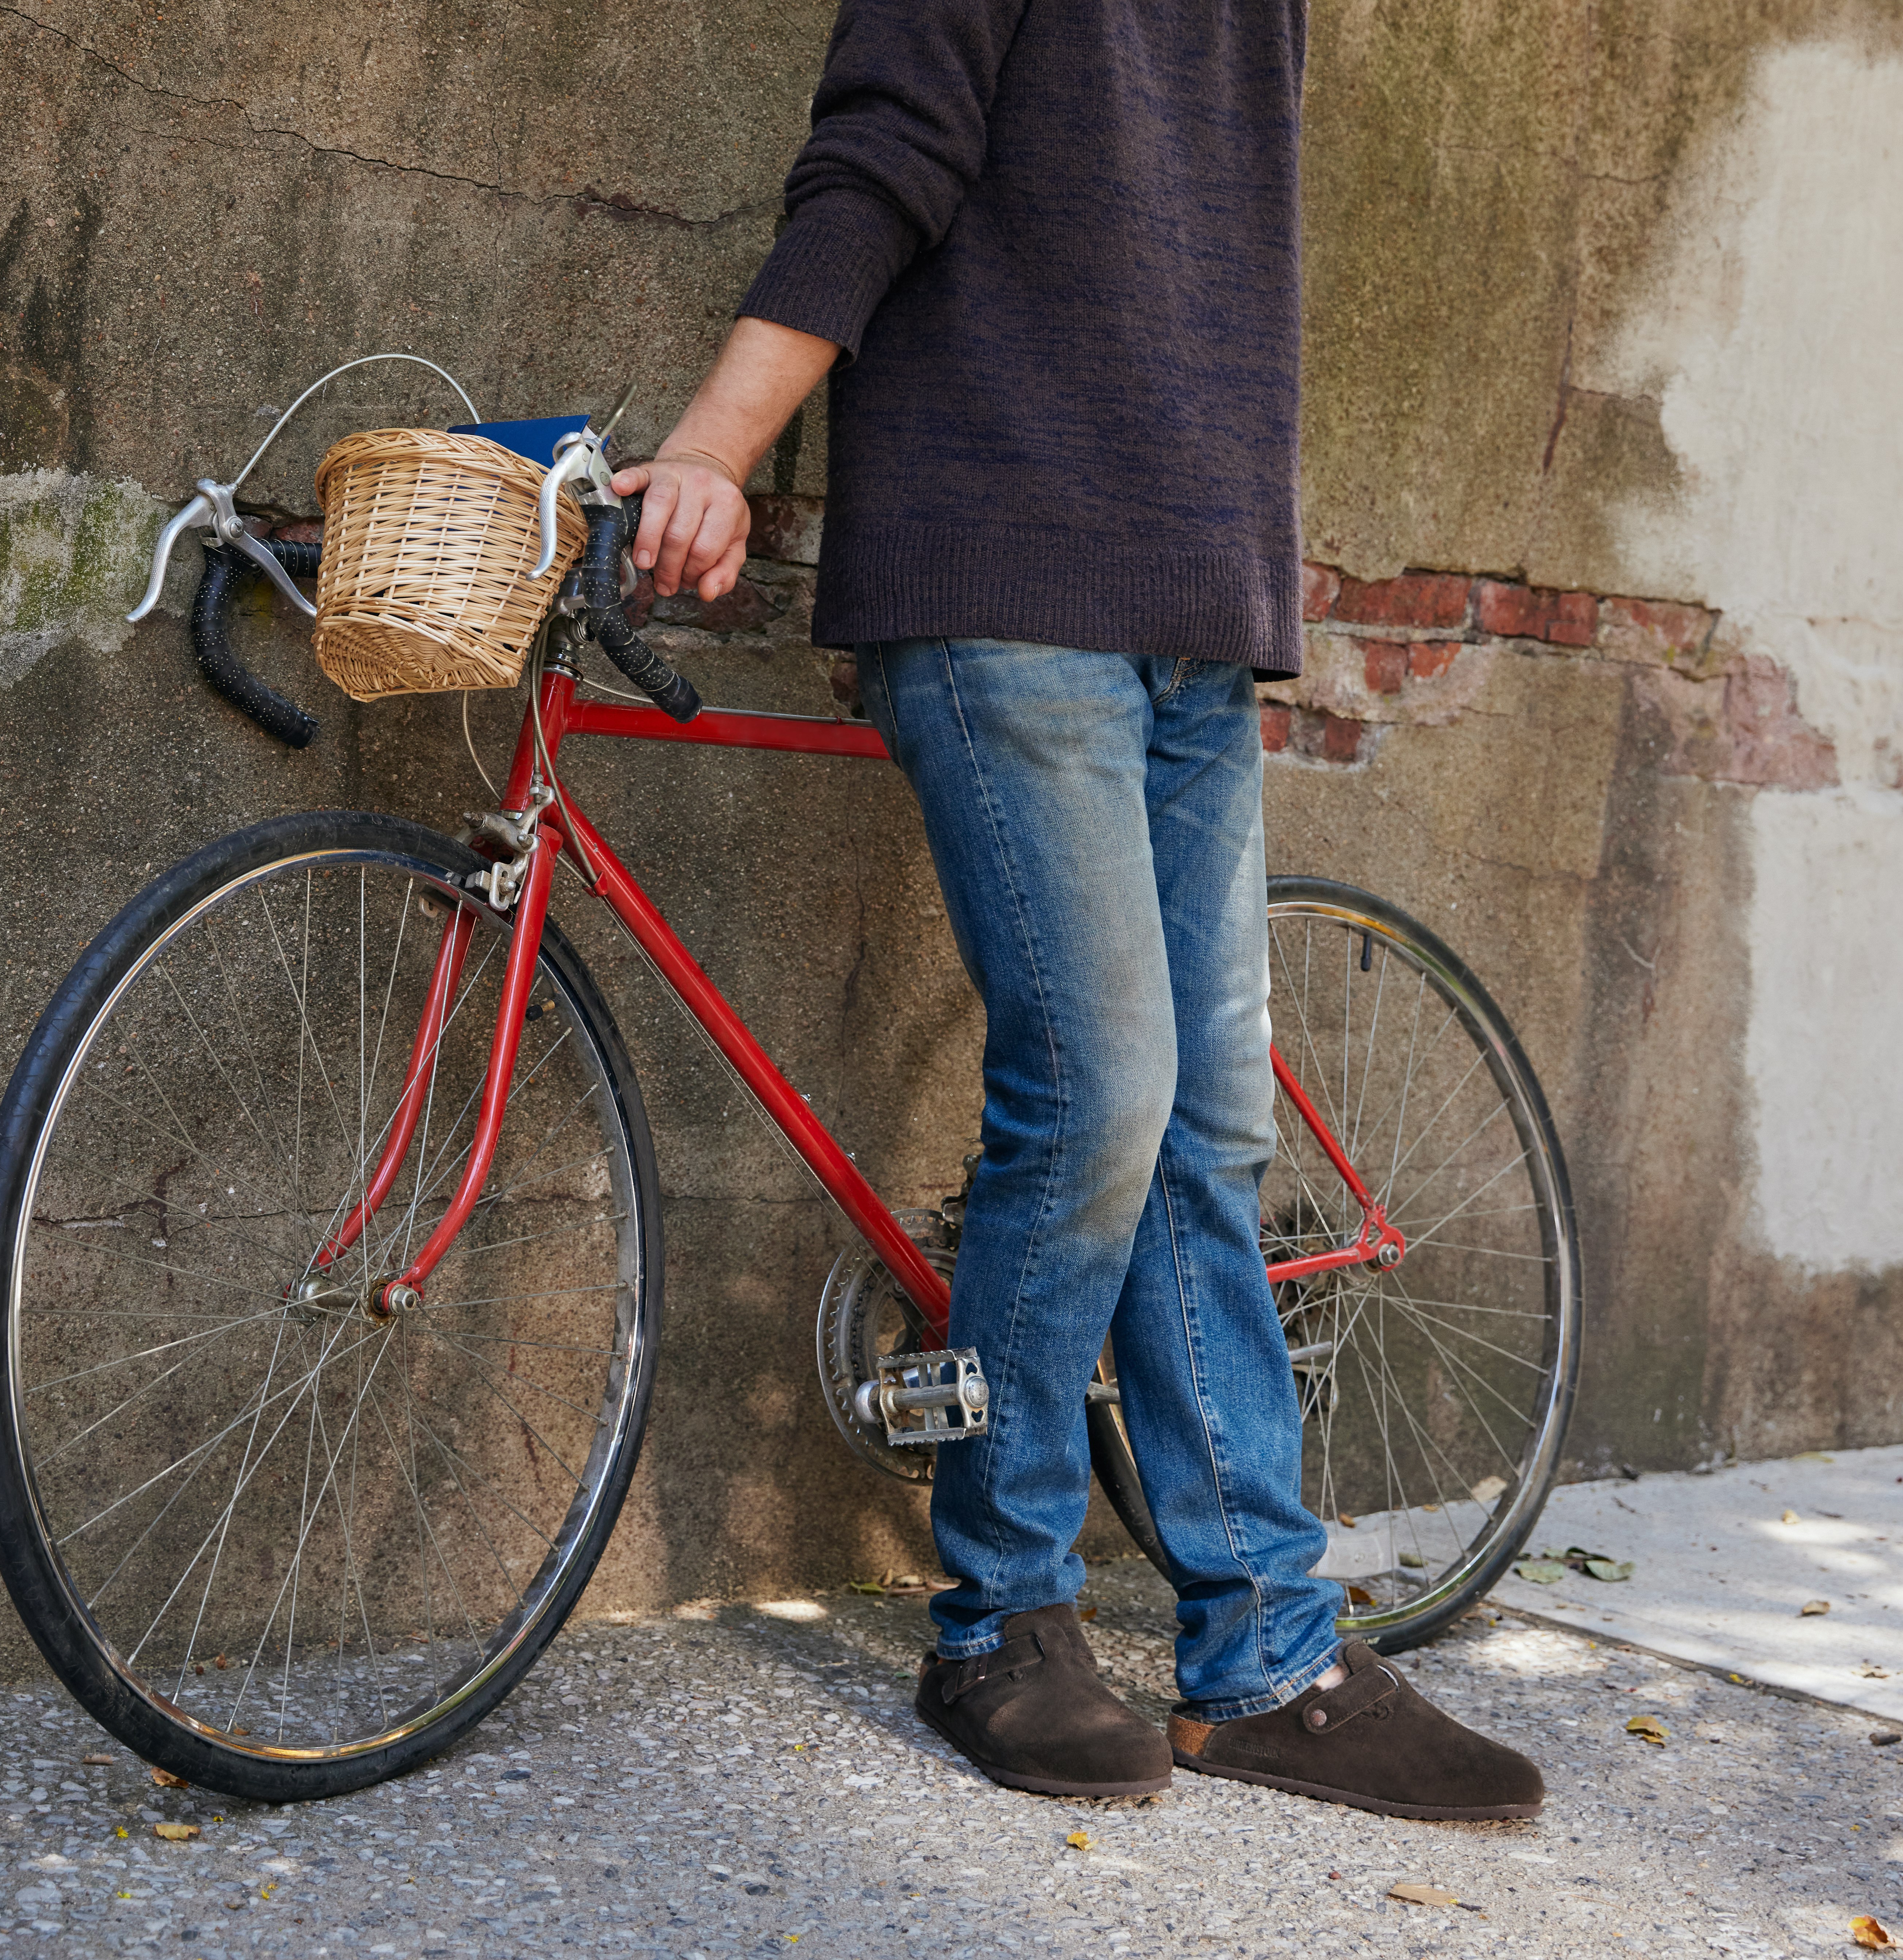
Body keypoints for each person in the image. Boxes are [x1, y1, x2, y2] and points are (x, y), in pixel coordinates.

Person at [612, 0, 1543, 1820]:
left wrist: (1243, 580)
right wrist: (720, 442)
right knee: (1103, 1091)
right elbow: (878, 156)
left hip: (1195, 597)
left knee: (1210, 1132)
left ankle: (1267, 1657)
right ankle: (1002, 1617)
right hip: (1006, 573)